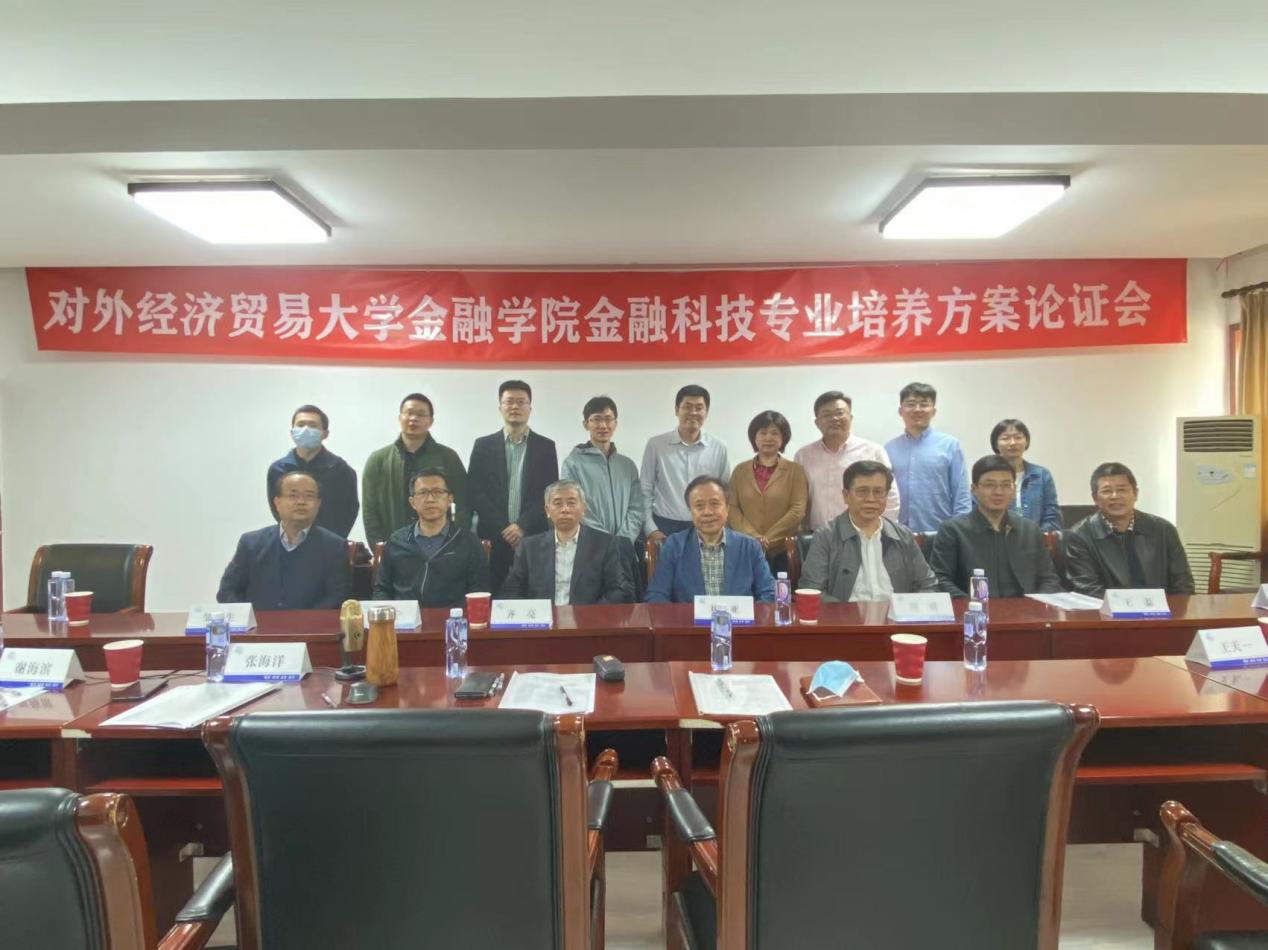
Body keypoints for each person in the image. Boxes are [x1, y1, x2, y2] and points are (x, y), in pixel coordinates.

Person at [800, 460, 937, 603]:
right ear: (846, 495)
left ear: (886, 496)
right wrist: (846, 613)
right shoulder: (826, 536)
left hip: (896, 615)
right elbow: (812, 590)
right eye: (862, 491)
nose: (871, 499)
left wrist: (907, 610)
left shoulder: (903, 536)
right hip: (847, 616)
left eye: (878, 492)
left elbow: (928, 585)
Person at [468, 380, 559, 595]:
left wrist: (521, 526)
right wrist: (505, 529)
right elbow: (476, 492)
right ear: (500, 407)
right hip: (493, 539)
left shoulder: (546, 447)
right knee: (494, 597)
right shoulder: (483, 446)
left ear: (530, 408)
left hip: (533, 537)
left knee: (534, 597)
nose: (515, 406)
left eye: (521, 402)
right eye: (509, 401)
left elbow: (549, 493)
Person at [928, 455, 1064, 598]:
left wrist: (1035, 605)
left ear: (1013, 489)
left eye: (1006, 485)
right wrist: (975, 605)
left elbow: (1049, 579)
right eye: (989, 485)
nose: (998, 492)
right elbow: (940, 581)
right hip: (974, 609)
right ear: (974, 489)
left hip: (1027, 609)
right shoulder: (953, 530)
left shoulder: (1029, 530)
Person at [218, 472, 351, 610]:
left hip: (311, 623)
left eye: (309, 496)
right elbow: (227, 591)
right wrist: (250, 617)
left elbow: (339, 596)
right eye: (293, 496)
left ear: (318, 504)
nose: (301, 502)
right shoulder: (251, 544)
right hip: (258, 623)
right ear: (277, 502)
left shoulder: (335, 547)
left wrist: (304, 620)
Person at [1065, 462, 1195, 596]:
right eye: (1107, 491)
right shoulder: (1080, 536)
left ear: (1135, 494)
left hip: (1162, 608)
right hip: (1108, 609)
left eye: (1122, 490)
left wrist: (1170, 607)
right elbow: (1088, 591)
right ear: (1095, 498)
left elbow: (1183, 584)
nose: (1115, 496)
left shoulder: (1164, 530)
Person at [363, 393, 469, 548]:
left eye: (421, 414)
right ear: (399, 418)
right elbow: (370, 510)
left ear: (430, 421)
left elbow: (464, 504)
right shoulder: (378, 460)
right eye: (409, 413)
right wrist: (380, 549)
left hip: (441, 547)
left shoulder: (447, 457)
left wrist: (455, 544)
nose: (413, 418)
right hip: (394, 548)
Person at [501, 480, 633, 605]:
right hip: (545, 619)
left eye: (571, 503)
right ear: (547, 510)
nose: (565, 509)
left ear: (583, 509)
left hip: (587, 619)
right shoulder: (529, 547)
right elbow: (511, 591)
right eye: (558, 503)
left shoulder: (604, 544)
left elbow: (619, 589)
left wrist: (591, 615)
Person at [646, 476, 775, 603]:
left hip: (739, 617)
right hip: (688, 617)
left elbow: (769, 592)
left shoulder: (749, 547)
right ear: (691, 511)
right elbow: (657, 595)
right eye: (699, 506)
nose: (707, 512)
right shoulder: (674, 546)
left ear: (727, 509)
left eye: (714, 504)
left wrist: (752, 615)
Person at [373, 469, 490, 607]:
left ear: (450, 499)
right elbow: (381, 589)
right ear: (412, 502)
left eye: (437, 492)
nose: (430, 499)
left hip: (453, 618)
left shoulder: (469, 543)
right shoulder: (396, 542)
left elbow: (479, 592)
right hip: (404, 619)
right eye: (422, 493)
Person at [794, 391, 899, 531]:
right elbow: (798, 500)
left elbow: (890, 496)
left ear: (851, 417)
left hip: (862, 533)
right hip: (817, 534)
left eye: (839, 413)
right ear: (817, 422)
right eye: (827, 415)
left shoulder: (873, 451)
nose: (834, 419)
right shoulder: (803, 456)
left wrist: (881, 531)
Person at [641, 385, 729, 543]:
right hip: (665, 526)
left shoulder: (718, 448)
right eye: (687, 407)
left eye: (699, 408)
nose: (693, 412)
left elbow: (725, 494)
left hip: (707, 526)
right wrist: (651, 529)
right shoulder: (656, 445)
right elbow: (645, 490)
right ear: (676, 410)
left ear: (706, 412)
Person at [884, 382, 972, 532]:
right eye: (911, 404)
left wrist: (959, 532)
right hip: (898, 533)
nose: (917, 409)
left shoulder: (950, 445)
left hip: (940, 533)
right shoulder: (889, 449)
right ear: (900, 411)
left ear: (933, 411)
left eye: (924, 404)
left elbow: (961, 494)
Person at [727, 410, 808, 571]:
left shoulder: (795, 471)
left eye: (774, 433)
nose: (768, 438)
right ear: (754, 437)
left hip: (783, 550)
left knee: (781, 587)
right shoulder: (739, 471)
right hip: (746, 548)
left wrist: (767, 539)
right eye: (763, 433)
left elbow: (798, 510)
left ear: (783, 437)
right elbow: (732, 508)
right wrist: (754, 538)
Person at [266, 404, 360, 539]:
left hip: (330, 544)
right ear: (292, 432)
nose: (305, 430)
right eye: (300, 425)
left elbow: (349, 511)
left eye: (312, 425)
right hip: (290, 541)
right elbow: (277, 509)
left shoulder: (340, 470)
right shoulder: (278, 470)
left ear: (325, 434)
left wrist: (333, 541)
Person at [559, 395, 644, 544]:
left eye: (608, 419)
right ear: (586, 424)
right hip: (589, 545)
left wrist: (623, 540)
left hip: (624, 546)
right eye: (596, 419)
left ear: (616, 423)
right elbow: (574, 506)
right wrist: (606, 541)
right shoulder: (573, 464)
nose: (603, 425)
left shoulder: (627, 466)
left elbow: (636, 508)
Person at [989, 419, 1062, 531]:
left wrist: (1034, 537)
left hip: (1036, 538)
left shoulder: (1042, 475)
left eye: (1018, 437)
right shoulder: (988, 476)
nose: (1013, 443)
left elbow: (1052, 517)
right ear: (996, 444)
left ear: (1026, 442)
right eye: (1005, 438)